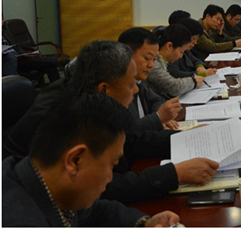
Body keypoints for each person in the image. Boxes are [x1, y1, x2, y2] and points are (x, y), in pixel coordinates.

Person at [3, 40, 220, 204]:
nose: (136, 91)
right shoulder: (66, 114)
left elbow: (131, 140)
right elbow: (102, 187)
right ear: (105, 89)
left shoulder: (90, 95)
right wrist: (174, 174)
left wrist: (186, 138)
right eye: (131, 85)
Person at [2, 90, 181, 227]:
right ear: (75, 160)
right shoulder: (19, 220)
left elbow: (91, 211)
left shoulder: (41, 177)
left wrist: (143, 223)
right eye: (111, 165)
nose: (110, 177)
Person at [118, 27, 182, 131]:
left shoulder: (139, 81)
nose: (151, 65)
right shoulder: (116, 88)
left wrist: (161, 116)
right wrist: (157, 118)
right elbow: (126, 133)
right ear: (126, 55)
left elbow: (157, 100)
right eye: (147, 58)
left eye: (154, 59)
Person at [146, 24, 204, 99]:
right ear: (169, 46)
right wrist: (194, 81)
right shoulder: (154, 64)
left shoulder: (163, 62)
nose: (181, 56)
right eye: (181, 52)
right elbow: (173, 86)